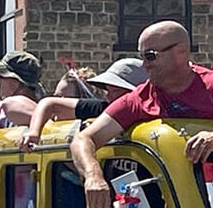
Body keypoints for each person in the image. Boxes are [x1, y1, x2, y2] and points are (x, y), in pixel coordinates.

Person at [72, 21, 213, 208]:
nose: (144, 65)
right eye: (142, 57)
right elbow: (84, 140)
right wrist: (93, 176)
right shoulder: (139, 98)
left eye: (150, 56)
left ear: (181, 52)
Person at [18, 59, 148, 149]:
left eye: (116, 90)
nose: (108, 95)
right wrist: (34, 132)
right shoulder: (103, 109)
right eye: (108, 90)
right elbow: (50, 103)